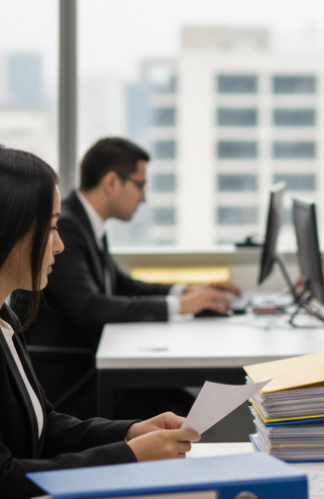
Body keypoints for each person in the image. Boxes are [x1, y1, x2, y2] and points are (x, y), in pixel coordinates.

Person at [0, 145, 199, 499]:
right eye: (50, 229)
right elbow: (4, 480)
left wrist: (130, 431)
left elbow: (45, 425)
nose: (59, 244)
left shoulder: (5, 316)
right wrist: (127, 456)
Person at [24, 137, 240, 351]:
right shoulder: (68, 226)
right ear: (112, 183)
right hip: (73, 368)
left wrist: (184, 291)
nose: (144, 198)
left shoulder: (87, 223)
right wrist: (180, 306)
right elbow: (90, 307)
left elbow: (121, 285)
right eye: (141, 186)